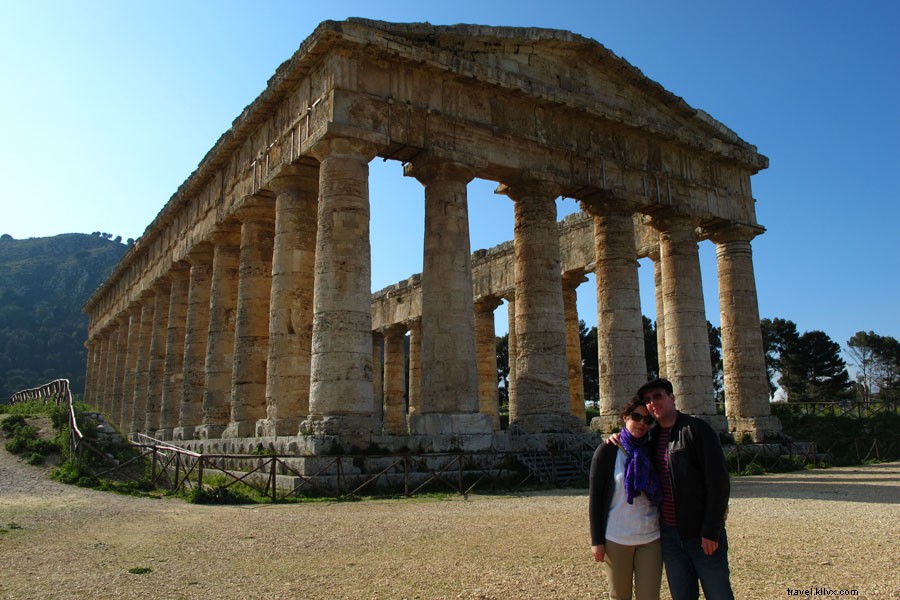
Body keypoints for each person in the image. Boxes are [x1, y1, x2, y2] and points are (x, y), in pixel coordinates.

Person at [636, 378, 734, 600]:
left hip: (701, 534)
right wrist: (614, 440)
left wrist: (711, 531)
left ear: (672, 397)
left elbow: (718, 483)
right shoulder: (651, 437)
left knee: (719, 595)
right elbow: (630, 449)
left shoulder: (697, 430)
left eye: (658, 396)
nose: (653, 403)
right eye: (648, 400)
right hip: (670, 536)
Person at [589, 396, 664, 600]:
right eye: (636, 417)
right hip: (616, 538)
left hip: (651, 537)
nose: (641, 423)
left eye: (647, 420)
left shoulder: (654, 449)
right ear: (625, 417)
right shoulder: (607, 451)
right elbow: (596, 499)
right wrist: (597, 541)